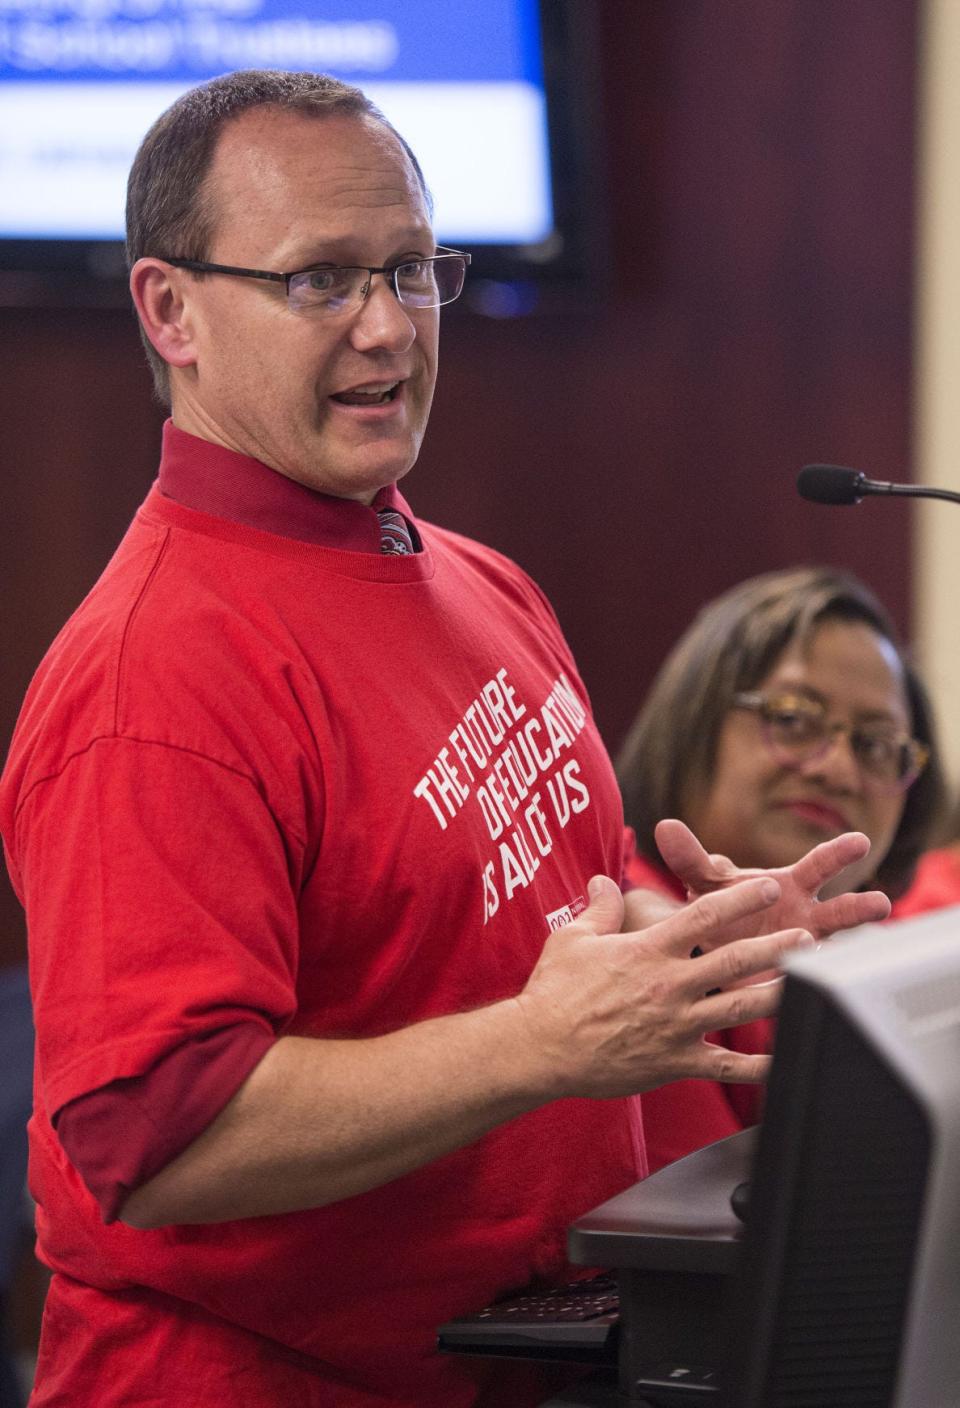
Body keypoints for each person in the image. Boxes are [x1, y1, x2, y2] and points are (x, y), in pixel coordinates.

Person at [0, 73, 890, 1408]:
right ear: (169, 310)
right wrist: (541, 1048)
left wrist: (714, 954)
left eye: (414, 270)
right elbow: (159, 1134)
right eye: (322, 280)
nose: (388, 328)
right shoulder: (152, 683)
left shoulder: (477, 577)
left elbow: (523, 928)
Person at [616, 565, 947, 1173]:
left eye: (876, 744)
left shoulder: (894, 958)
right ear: (697, 718)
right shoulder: (613, 919)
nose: (838, 771)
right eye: (794, 719)